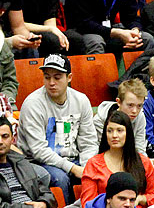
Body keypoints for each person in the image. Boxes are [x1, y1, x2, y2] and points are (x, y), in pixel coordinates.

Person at [18, 54, 97, 195]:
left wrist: (86, 167)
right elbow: (38, 151)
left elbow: (89, 142)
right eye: (47, 77)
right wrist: (73, 168)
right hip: (38, 162)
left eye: (57, 77)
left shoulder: (81, 100)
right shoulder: (32, 104)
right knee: (60, 178)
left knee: (97, 173)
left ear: (69, 78)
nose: (51, 82)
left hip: (74, 158)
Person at [81, 110, 154, 208]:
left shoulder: (143, 162)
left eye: (119, 130)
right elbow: (88, 204)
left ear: (128, 133)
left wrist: (140, 198)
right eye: (110, 131)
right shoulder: (93, 164)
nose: (114, 135)